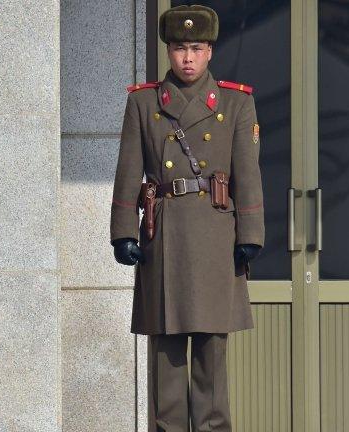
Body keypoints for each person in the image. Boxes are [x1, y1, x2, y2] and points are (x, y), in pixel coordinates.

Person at [109, 4, 265, 431]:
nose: (188, 58)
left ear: (211, 51)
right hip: (165, 240)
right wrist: (122, 231)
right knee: (167, 365)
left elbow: (247, 174)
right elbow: (128, 171)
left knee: (211, 366)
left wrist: (249, 232)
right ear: (168, 51)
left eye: (197, 48)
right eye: (180, 48)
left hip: (216, 238)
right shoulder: (143, 103)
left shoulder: (236, 103)